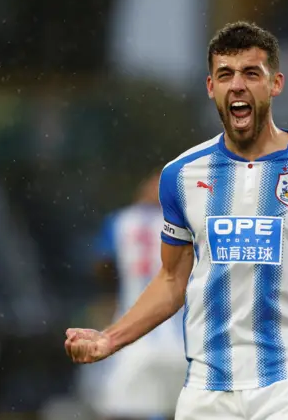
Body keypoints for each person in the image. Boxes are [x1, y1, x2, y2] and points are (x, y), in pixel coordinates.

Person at [65, 21, 288, 420]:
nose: (238, 85)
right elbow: (170, 281)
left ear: (276, 84)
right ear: (210, 87)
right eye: (225, 74)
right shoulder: (181, 176)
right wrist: (108, 339)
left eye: (252, 73)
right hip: (207, 386)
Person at [80, 168, 187, 420]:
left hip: (132, 339)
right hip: (184, 341)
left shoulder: (120, 222)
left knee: (118, 408)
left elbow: (102, 266)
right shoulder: (188, 222)